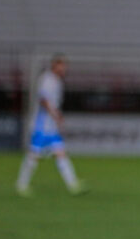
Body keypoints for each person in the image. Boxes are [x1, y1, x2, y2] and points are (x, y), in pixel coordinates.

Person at [16, 55, 88, 197]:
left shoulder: (57, 81)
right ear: (54, 66)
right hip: (41, 125)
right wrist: (55, 114)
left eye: (65, 66)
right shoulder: (47, 79)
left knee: (61, 153)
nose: (64, 69)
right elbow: (44, 100)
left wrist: (56, 116)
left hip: (51, 126)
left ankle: (73, 184)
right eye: (61, 66)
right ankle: (21, 184)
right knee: (34, 155)